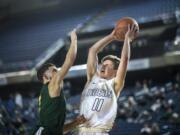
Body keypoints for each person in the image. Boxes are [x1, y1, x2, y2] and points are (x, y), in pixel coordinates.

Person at [79, 24, 138, 134]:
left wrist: (127, 39)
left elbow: (124, 60)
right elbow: (92, 51)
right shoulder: (92, 78)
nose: (103, 66)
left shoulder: (115, 84)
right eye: (103, 64)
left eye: (108, 65)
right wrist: (112, 37)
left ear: (115, 71)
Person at [30, 29, 86, 135]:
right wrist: (74, 40)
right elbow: (69, 61)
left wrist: (75, 122)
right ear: (46, 76)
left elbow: (57, 131)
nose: (58, 72)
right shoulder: (50, 86)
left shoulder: (50, 93)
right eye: (54, 71)